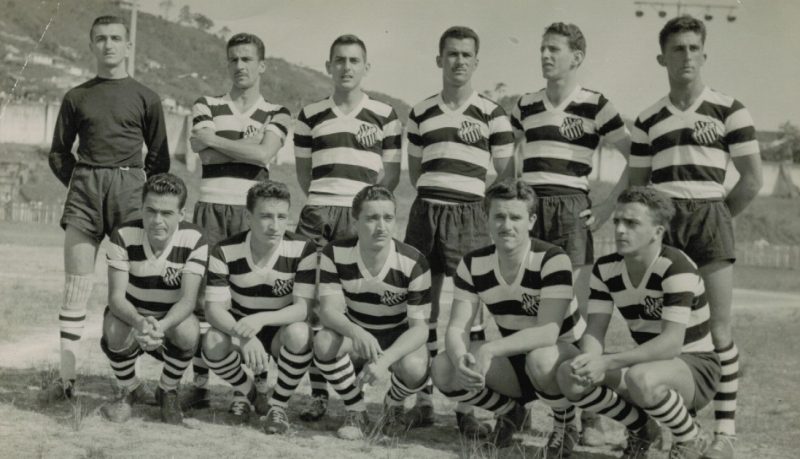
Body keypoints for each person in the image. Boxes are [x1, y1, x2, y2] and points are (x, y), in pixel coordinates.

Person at [628, 16, 762, 459]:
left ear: (704, 53)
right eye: (677, 49)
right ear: (661, 57)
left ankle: (725, 434)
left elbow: (752, 179)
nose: (686, 56)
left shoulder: (730, 108)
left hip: (710, 217)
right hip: (664, 224)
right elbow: (640, 184)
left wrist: (720, 217)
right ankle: (667, 427)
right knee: (662, 331)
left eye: (693, 48)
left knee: (718, 332)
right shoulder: (648, 117)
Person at [510, 22, 633, 445]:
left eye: (555, 50)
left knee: (572, 320)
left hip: (572, 210)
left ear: (576, 58)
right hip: (530, 209)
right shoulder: (524, 105)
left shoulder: (597, 105)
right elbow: (505, 155)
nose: (546, 56)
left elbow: (637, 159)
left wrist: (607, 205)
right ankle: (518, 410)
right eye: (542, 48)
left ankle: (590, 419)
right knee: (526, 313)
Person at [42, 15, 170, 402]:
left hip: (130, 190)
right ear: (91, 44)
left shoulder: (146, 97)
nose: (109, 45)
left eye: (116, 38)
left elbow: (160, 158)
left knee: (130, 291)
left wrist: (134, 188)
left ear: (128, 45)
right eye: (101, 38)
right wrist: (83, 184)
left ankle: (128, 381)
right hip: (85, 189)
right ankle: (66, 379)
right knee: (77, 285)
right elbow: (58, 154)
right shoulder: (76, 96)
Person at [403, 25, 515, 436]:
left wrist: (469, 203)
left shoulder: (493, 113)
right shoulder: (421, 112)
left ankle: (468, 407)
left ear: (476, 62)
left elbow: (504, 175)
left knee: (469, 311)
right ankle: (425, 401)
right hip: (426, 212)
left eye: (467, 55)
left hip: (469, 214)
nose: (459, 61)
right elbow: (417, 171)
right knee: (425, 309)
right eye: (452, 54)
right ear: (439, 60)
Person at [556, 187, 721, 459]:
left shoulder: (676, 266)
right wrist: (589, 362)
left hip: (695, 367)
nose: (620, 230)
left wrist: (607, 363)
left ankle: (690, 436)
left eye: (631, 223)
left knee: (641, 377)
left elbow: (670, 345)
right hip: (648, 366)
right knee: (569, 374)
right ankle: (641, 428)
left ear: (657, 231)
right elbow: (595, 330)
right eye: (617, 221)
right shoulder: (606, 269)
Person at [431, 179, 585, 455]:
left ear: (531, 220)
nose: (507, 225)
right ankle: (511, 413)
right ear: (486, 218)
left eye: (516, 217)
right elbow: (456, 328)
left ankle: (566, 425)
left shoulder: (552, 258)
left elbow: (548, 333)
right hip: (517, 360)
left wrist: (489, 348)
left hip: (566, 363)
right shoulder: (473, 263)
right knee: (444, 368)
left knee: (541, 356)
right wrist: (460, 357)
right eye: (499, 216)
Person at [294, 34, 403, 422]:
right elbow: (304, 173)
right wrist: (325, 200)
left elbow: (390, 175)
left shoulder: (385, 115)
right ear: (328, 66)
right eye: (339, 60)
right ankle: (318, 394)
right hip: (319, 210)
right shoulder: (310, 114)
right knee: (312, 305)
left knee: (353, 300)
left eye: (354, 60)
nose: (346, 67)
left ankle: (355, 383)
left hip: (360, 213)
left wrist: (361, 212)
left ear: (366, 67)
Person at [186, 32, 292, 410]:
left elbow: (265, 152)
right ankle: (199, 380)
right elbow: (202, 154)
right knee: (204, 299)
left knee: (250, 297)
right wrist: (251, 152)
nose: (240, 66)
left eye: (247, 59)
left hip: (252, 211)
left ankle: (253, 387)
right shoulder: (206, 103)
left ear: (261, 65)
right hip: (211, 207)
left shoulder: (277, 111)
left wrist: (219, 142)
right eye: (233, 59)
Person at [312, 185, 431, 440]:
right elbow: (329, 311)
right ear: (355, 223)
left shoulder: (414, 261)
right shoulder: (336, 252)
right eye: (372, 218)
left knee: (416, 365)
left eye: (388, 218)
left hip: (397, 338)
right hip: (358, 336)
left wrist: (386, 359)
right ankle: (356, 410)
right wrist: (356, 332)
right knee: (323, 342)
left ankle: (393, 407)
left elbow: (420, 329)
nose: (381, 227)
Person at [201, 181, 317, 434]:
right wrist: (244, 335)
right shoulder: (224, 250)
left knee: (300, 332)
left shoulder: (303, 249)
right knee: (211, 341)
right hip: (240, 329)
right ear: (248, 217)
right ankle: (248, 392)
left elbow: (302, 310)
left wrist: (261, 320)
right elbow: (213, 310)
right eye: (265, 216)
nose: (275, 225)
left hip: (277, 332)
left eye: (281, 217)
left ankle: (278, 405)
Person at [99, 173, 204, 425]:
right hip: (133, 317)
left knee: (189, 329)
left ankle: (167, 390)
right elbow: (115, 298)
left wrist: (160, 327)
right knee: (113, 325)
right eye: (151, 211)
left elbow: (188, 301)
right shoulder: (123, 235)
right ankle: (130, 390)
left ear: (181, 214)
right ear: (142, 208)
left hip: (168, 323)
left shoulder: (195, 239)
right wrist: (140, 323)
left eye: (167, 213)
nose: (157, 220)